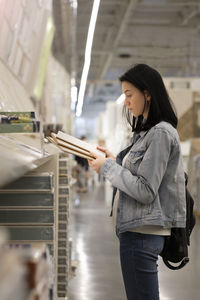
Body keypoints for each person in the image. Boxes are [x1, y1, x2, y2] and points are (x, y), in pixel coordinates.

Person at [88, 64, 186, 300]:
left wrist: (108, 167)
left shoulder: (161, 133)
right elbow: (142, 177)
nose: (126, 102)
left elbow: (145, 190)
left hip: (142, 234)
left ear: (148, 93)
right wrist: (114, 161)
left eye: (129, 95)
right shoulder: (148, 133)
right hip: (140, 231)